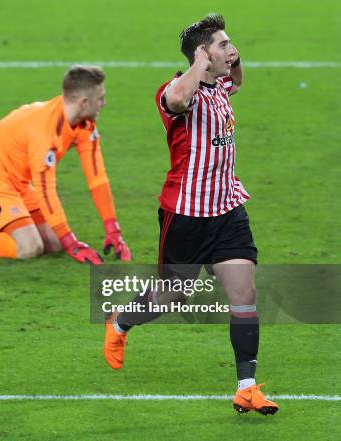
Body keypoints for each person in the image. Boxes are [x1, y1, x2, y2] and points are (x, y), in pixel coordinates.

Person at [102, 14, 278, 415]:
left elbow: (238, 81)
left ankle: (247, 387)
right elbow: (178, 101)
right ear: (201, 55)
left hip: (227, 208)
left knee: (243, 292)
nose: (230, 51)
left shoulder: (219, 87)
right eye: (222, 45)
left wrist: (231, 57)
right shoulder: (178, 91)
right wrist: (200, 63)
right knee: (173, 293)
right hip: (185, 214)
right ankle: (120, 322)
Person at [0, 65, 131, 264]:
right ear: (83, 102)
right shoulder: (44, 133)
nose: (104, 103)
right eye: (100, 99)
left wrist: (113, 230)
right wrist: (72, 244)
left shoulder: (84, 125)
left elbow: (97, 178)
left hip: (16, 183)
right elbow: (46, 192)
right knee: (29, 248)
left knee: (54, 243)